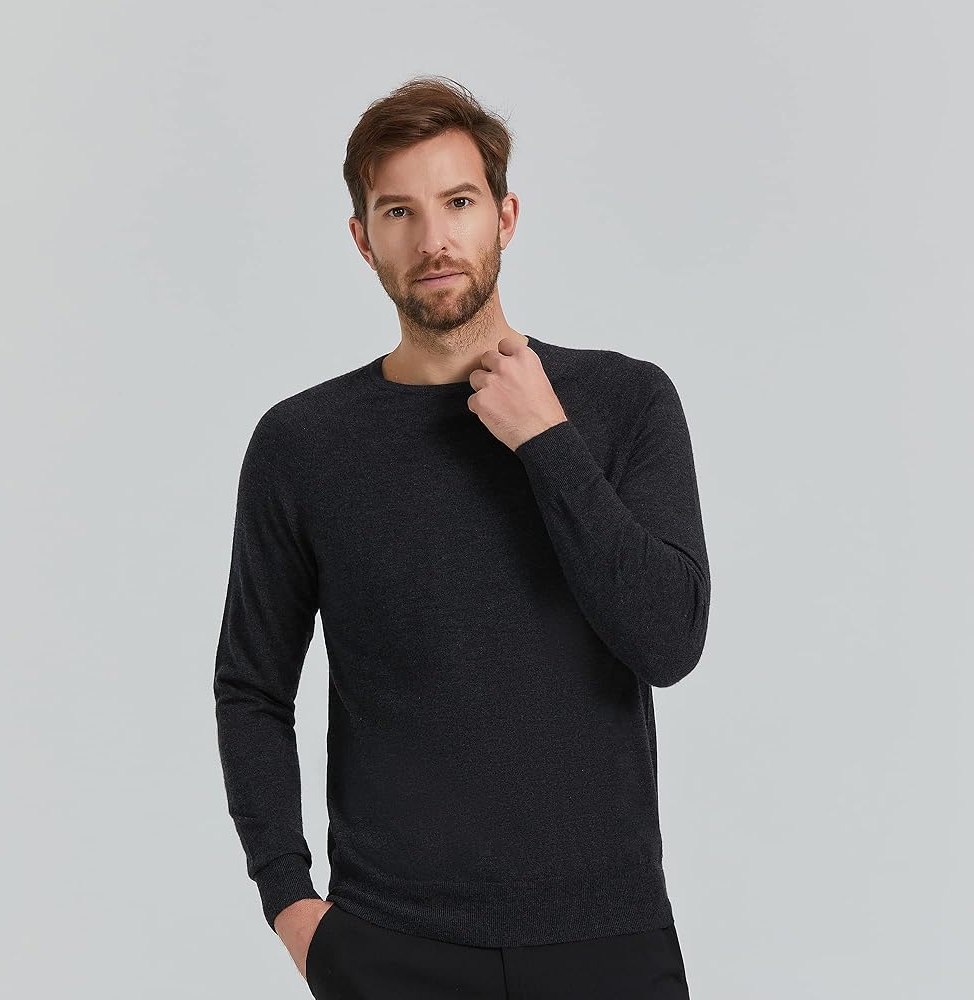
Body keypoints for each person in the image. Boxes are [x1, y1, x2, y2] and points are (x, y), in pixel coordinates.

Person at [213, 75, 710, 998]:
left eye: (458, 202)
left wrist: (547, 441)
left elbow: (669, 642)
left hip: (607, 937)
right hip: (391, 942)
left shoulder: (623, 402)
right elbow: (252, 685)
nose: (433, 238)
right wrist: (291, 905)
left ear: (505, 218)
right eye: (398, 211)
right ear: (363, 239)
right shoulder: (304, 443)